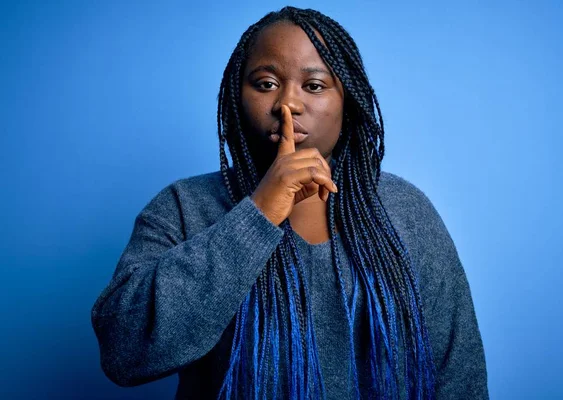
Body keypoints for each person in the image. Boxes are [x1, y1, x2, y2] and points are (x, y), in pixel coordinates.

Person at [90, 6, 488, 400]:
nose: (288, 104)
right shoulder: (183, 206)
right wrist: (260, 212)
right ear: (234, 98)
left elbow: (459, 374)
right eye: (265, 84)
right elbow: (123, 351)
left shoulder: (404, 210)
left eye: (314, 86)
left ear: (347, 104)